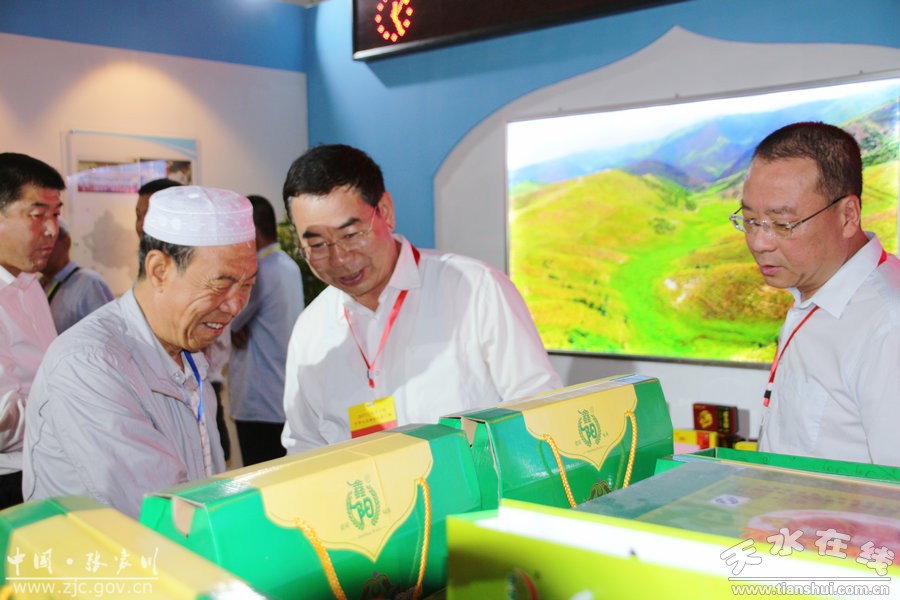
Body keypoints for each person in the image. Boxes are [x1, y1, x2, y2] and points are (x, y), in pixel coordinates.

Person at [280, 144, 562, 454]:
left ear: (385, 212)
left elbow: (539, 410)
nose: (340, 259)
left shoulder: (476, 289)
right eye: (318, 245)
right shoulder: (310, 329)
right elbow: (303, 446)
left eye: (351, 235)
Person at [23, 185, 257, 518]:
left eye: (247, 285)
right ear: (160, 270)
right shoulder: (89, 364)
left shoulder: (188, 349)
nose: (235, 306)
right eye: (221, 284)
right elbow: (161, 511)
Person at [732, 121, 900, 467]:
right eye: (749, 220)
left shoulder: (888, 326)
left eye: (783, 224)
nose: (759, 243)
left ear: (848, 216)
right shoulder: (812, 291)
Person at [0, 152, 63, 509]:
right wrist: (73, 409)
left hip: (41, 465)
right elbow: (2, 420)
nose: (52, 229)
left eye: (56, 214)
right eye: (38, 215)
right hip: (8, 478)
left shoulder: (28, 284)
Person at [228, 195, 304, 465]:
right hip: (282, 398)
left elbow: (229, 319)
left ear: (253, 233)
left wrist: (234, 328)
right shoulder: (290, 266)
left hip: (258, 401)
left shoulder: (259, 271)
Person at [41, 220, 114, 333]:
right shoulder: (37, 285)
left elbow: (107, 333)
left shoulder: (89, 283)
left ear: (66, 243)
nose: (39, 250)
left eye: (45, 242)